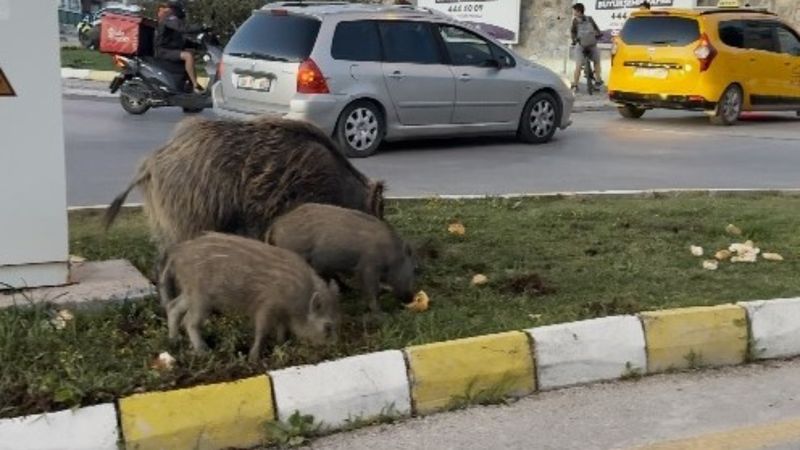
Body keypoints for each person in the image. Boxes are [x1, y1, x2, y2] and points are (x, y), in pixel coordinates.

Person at [154, 0, 206, 92]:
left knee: (191, 54)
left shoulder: (174, 21)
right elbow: (183, 29)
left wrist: (197, 45)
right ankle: (195, 85)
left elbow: (181, 41)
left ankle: (188, 86)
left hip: (170, 50)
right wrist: (202, 27)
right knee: (188, 56)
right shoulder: (169, 19)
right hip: (163, 50)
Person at [570, 3, 603, 92]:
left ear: (578, 11)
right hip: (592, 45)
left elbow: (573, 32)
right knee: (597, 62)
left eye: (574, 11)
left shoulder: (575, 21)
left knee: (578, 65)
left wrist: (574, 40)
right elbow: (598, 30)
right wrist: (598, 36)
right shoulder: (590, 19)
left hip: (580, 45)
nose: (573, 13)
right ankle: (598, 80)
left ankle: (575, 85)